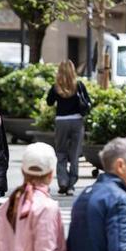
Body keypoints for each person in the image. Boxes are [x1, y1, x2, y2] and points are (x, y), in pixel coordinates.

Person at [46, 60, 91, 195]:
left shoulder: (56, 87)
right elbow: (88, 102)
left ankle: (63, 182)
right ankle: (71, 186)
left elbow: (49, 102)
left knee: (61, 153)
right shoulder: (79, 85)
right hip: (77, 121)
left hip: (61, 122)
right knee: (75, 154)